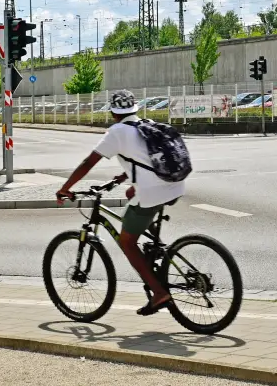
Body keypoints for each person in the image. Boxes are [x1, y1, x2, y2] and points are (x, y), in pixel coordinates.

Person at [56, 90, 183, 316]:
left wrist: (66, 188)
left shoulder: (116, 132)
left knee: (126, 241)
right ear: (135, 109)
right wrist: (123, 178)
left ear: (113, 112)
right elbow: (145, 159)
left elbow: (88, 162)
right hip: (174, 185)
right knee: (130, 195)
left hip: (152, 192)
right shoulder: (146, 124)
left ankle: (159, 293)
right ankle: (154, 249)